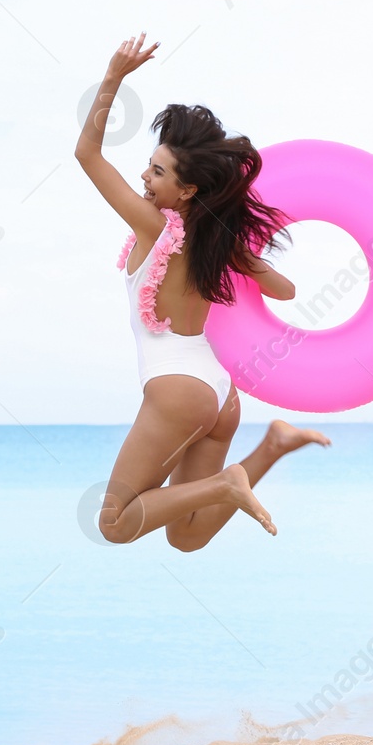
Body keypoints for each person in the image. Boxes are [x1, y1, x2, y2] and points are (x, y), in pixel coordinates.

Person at [74, 34, 329, 549]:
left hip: (176, 391)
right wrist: (244, 257)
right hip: (218, 390)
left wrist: (114, 76)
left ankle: (225, 482)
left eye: (158, 171)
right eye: (150, 165)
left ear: (187, 191)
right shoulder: (219, 241)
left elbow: (86, 153)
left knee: (115, 523)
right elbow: (284, 290)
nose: (144, 176)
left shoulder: (154, 226)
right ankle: (271, 448)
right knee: (185, 538)